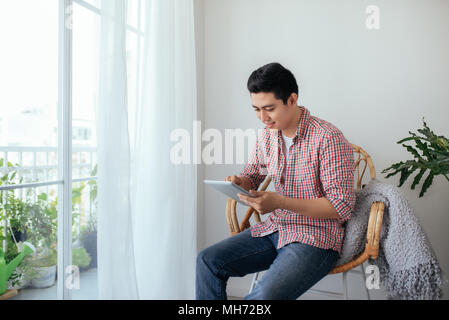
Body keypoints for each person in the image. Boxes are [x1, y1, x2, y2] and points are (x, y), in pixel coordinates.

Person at [196, 62, 356, 300]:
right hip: (276, 229)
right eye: (256, 109)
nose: (263, 117)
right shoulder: (267, 137)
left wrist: (279, 201)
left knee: (265, 295)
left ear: (292, 100)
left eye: (269, 108)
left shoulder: (328, 138)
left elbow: (340, 207)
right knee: (207, 261)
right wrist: (241, 182)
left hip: (316, 237)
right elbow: (253, 175)